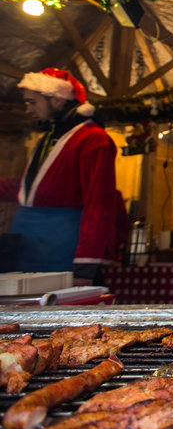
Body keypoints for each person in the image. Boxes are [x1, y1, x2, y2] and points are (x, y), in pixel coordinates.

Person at [0, 68, 127, 283]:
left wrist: (86, 266)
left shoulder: (92, 140)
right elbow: (33, 190)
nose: (28, 110)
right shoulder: (49, 139)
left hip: (60, 248)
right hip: (28, 246)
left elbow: (98, 204)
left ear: (57, 100)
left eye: (33, 102)